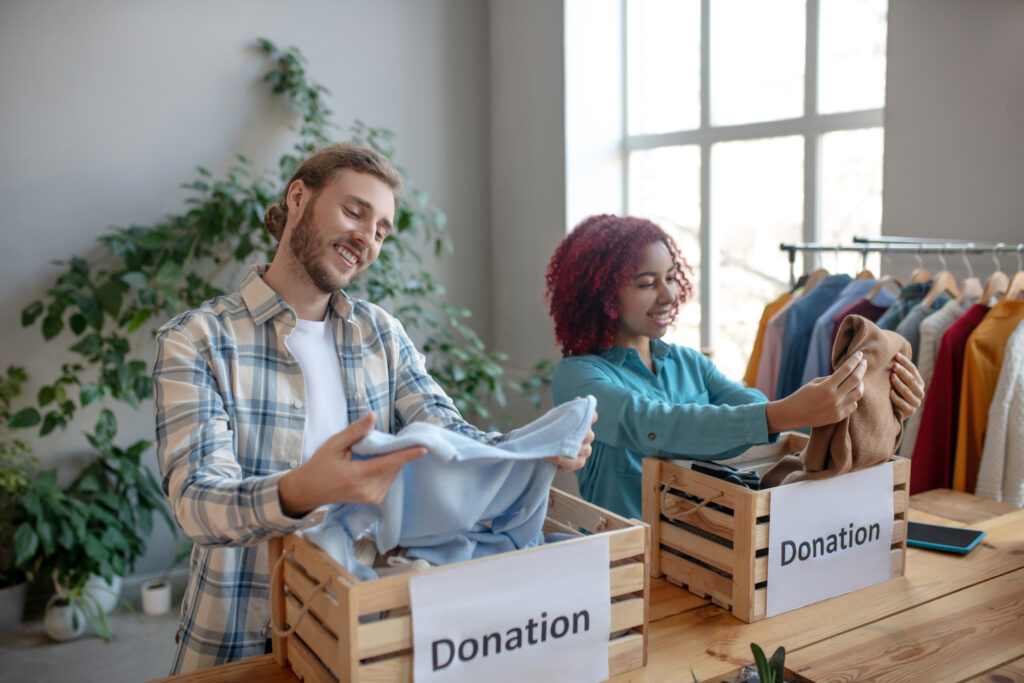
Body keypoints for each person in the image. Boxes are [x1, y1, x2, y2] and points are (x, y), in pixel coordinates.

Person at [153, 143, 594, 673]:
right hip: (241, 630)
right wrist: (304, 488)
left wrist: (534, 449)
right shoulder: (196, 339)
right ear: (299, 197)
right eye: (354, 212)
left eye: (382, 229)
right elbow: (198, 502)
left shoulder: (380, 333)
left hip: (361, 617)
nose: (367, 237)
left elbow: (444, 428)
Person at [545, 214, 924, 519]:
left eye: (671, 278)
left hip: (709, 554)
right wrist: (784, 413)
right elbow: (652, 424)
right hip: (628, 565)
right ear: (602, 294)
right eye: (647, 283)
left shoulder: (688, 363)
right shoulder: (579, 377)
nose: (668, 295)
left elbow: (757, 408)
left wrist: (872, 402)